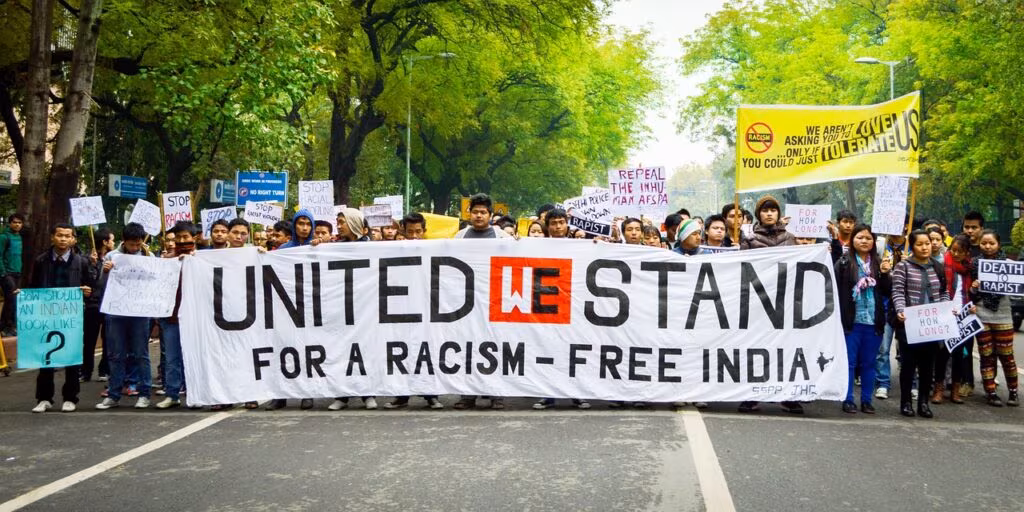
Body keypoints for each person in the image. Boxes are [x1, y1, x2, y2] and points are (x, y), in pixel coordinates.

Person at [738, 195, 801, 414]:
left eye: (773, 210)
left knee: (783, 349)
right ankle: (750, 395)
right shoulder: (748, 237)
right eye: (765, 210)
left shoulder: (790, 237)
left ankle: (787, 395)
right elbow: (741, 266)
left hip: (782, 301)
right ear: (758, 214)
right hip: (756, 301)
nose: (769, 213)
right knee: (754, 348)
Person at [28, 223, 94, 413]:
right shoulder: (41, 261)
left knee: (71, 356)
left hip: (71, 316)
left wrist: (88, 291)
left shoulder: (81, 262)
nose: (63, 239)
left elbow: (90, 286)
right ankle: (44, 398)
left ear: (73, 239)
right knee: (46, 356)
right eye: (59, 235)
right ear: (52, 237)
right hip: (47, 315)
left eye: (67, 236)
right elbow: (33, 287)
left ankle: (70, 397)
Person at [454, 194, 509, 411]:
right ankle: (468, 394)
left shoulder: (503, 237)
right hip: (467, 302)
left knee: (495, 346)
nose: (478, 215)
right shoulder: (458, 238)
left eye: (483, 212)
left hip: (495, 300)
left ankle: (496, 394)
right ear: (469, 214)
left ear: (491, 215)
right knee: (468, 347)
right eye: (475, 212)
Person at [96, 223, 155, 410]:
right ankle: (113, 394)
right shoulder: (112, 257)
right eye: (131, 244)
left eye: (138, 244)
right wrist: (106, 271)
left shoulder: (148, 256)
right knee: (115, 354)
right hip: (116, 311)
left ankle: (144, 393)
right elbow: (101, 285)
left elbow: (157, 280)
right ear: (124, 241)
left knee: (141, 354)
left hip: (139, 312)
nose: (135, 248)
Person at [891, 229, 948, 418]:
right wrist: (900, 310)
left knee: (927, 367)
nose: (925, 247)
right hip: (910, 324)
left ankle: (923, 403)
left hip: (932, 325)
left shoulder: (938, 267)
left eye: (927, 243)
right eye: (919, 244)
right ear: (912, 246)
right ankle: (906, 402)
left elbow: (944, 293)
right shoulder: (903, 266)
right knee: (908, 366)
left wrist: (947, 309)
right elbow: (898, 291)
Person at [835, 224, 891, 414]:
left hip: (873, 322)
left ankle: (866, 400)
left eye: (868, 238)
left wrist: (885, 274)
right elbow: (834, 290)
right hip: (851, 322)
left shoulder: (878, 263)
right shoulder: (843, 263)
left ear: (874, 241)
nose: (864, 241)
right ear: (852, 241)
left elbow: (887, 291)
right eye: (860, 237)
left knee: (869, 363)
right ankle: (848, 398)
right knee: (849, 363)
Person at [327, 208, 378, 411]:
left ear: (355, 224)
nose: (338, 226)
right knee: (341, 352)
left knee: (366, 351)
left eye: (342, 222)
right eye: (337, 222)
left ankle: (368, 394)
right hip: (342, 308)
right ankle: (342, 395)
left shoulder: (374, 248)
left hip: (367, 308)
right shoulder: (333, 248)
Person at [969, 230, 1019, 407]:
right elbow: (969, 293)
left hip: (1003, 315)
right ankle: (990, 391)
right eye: (984, 243)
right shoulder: (974, 264)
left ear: (999, 244)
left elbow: (1018, 291)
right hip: (981, 315)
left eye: (991, 243)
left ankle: (1013, 391)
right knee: (986, 355)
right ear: (980, 245)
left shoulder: (1010, 265)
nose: (988, 247)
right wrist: (974, 288)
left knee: (1007, 355)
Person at [155, 221, 198, 409]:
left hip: (196, 318)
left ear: (193, 238)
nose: (181, 241)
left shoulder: (202, 259)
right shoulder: (167, 261)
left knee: (194, 357)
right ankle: (172, 394)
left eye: (185, 237)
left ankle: (195, 393)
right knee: (172, 358)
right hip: (171, 317)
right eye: (178, 237)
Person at [937, 235, 975, 404]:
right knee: (942, 354)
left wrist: (973, 302)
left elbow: (970, 293)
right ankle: (938, 389)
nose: (956, 254)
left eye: (960, 251)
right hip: (945, 314)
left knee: (959, 355)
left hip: (963, 315)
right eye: (953, 250)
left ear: (967, 253)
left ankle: (955, 390)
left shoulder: (969, 269)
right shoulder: (942, 265)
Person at [82, 228, 114, 382]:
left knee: (108, 339)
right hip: (93, 305)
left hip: (108, 303)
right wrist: (92, 266)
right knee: (89, 340)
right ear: (104, 242)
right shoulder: (86, 259)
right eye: (111, 240)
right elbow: (90, 282)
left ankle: (104, 370)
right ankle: (85, 371)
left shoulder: (113, 259)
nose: (113, 243)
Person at [0, 213, 25, 335]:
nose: (17, 225)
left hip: (17, 272)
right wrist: (3, 273)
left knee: (15, 299)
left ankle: (11, 326)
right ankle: (4, 327)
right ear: (10, 223)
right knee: (10, 299)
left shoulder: (19, 237)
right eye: (15, 222)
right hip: (6, 273)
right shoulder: (4, 237)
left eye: (20, 223)